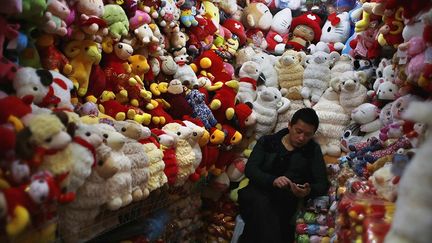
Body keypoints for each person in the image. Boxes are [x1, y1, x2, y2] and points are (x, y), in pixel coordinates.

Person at [238, 108, 330, 243]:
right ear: (289, 125)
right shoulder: (268, 142)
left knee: (274, 218)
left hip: (286, 202)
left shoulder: (312, 150)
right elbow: (251, 170)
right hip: (256, 194)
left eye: (308, 135)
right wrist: (272, 180)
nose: (301, 138)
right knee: (263, 206)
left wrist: (307, 190)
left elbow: (322, 184)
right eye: (298, 131)